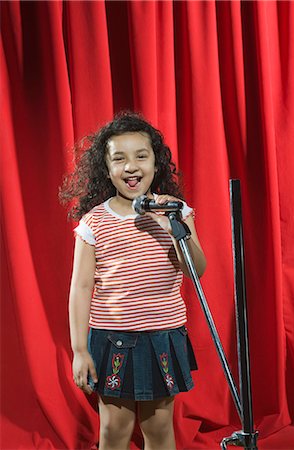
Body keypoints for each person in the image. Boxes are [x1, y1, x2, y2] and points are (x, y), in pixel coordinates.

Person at [60, 112, 206, 450]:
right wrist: (79, 350)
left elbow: (196, 270)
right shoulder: (94, 222)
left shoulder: (176, 212)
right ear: (107, 169)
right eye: (119, 158)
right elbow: (81, 288)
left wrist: (175, 230)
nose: (131, 166)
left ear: (156, 162)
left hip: (162, 337)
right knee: (114, 430)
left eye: (141, 155)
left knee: (158, 428)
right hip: (113, 339)